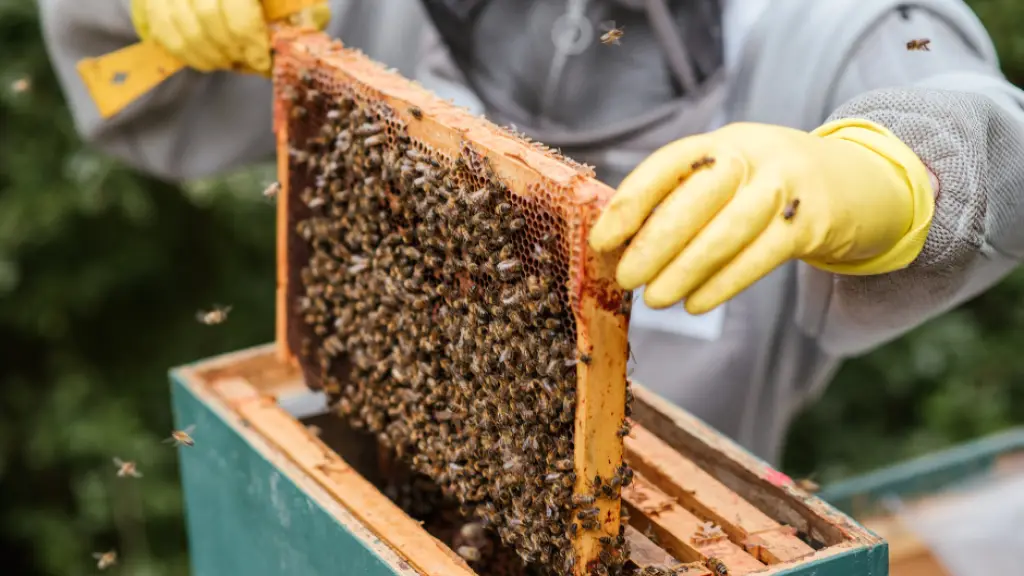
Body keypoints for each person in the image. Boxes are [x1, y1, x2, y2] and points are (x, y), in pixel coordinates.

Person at [39, 0, 1024, 465]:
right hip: (363, 489)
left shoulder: (829, 27)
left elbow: (988, 134)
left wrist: (881, 171)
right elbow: (124, 86)